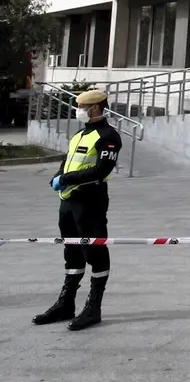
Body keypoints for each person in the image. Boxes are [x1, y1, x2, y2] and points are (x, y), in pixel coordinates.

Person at [33, 88, 122, 331]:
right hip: (69, 201)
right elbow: (68, 160)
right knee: (72, 252)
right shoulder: (80, 135)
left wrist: (67, 178)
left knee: (94, 252)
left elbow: (101, 170)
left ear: (95, 108)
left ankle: (94, 307)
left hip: (90, 201)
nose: (78, 111)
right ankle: (66, 303)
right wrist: (57, 176)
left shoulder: (108, 136)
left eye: (82, 107)